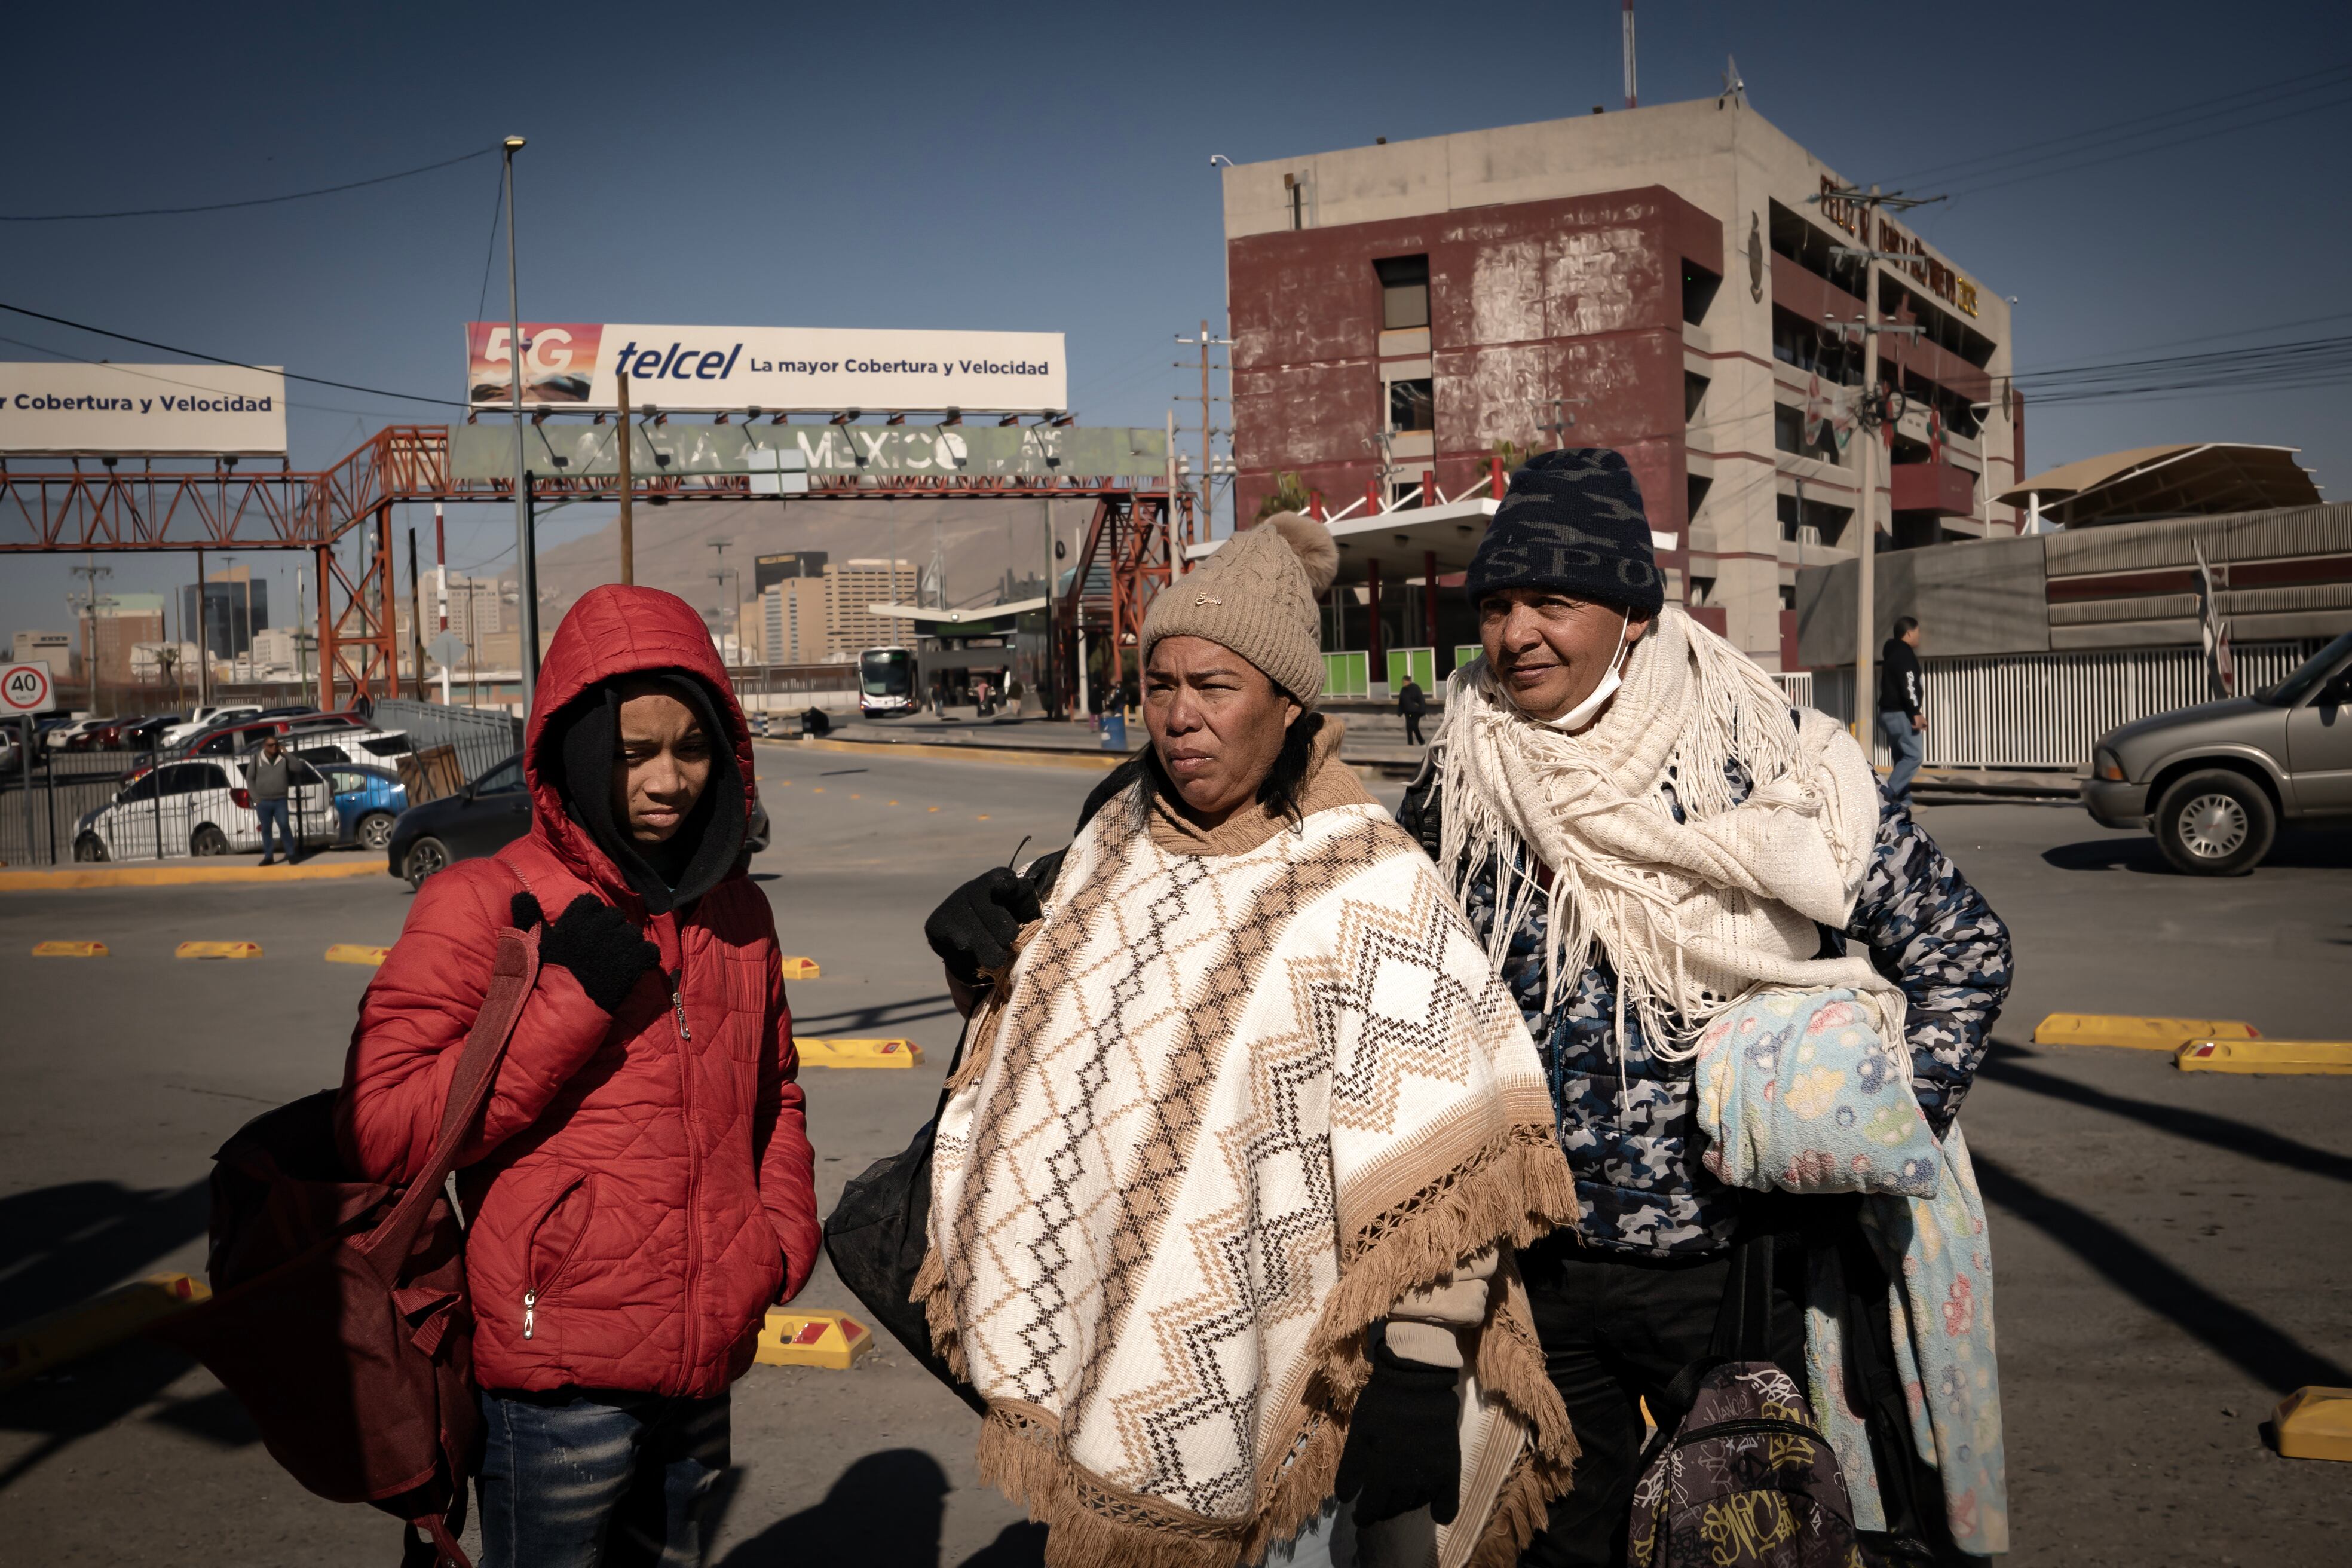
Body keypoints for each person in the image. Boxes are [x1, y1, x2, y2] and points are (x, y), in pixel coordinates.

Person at [916, 514, 1579, 1568]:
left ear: (1287, 701)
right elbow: (1073, 1064)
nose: (1179, 717)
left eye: (1213, 687)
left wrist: (1416, 1372)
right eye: (1161, 684)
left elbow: (1441, 1166)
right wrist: (982, 968)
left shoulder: (1369, 882)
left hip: (1300, 1383)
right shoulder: (1112, 838)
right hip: (1101, 1334)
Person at [1395, 450, 2011, 1568]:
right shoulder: (1463, 770)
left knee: (1746, 1543)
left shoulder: (1755, 756)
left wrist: (1865, 1128)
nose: (1516, 633)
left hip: (1730, 1274)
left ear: (1633, 611)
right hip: (1536, 1274)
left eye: (1552, 600)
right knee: (1554, 1546)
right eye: (1494, 604)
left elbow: (1962, 947)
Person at [337, 584, 820, 1568]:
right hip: (558, 1376)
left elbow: (776, 1094)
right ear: (575, 750)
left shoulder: (739, 913)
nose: (668, 779)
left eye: (691, 747)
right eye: (634, 752)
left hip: (703, 1361)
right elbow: (380, 1126)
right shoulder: (479, 900)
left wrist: (774, 1246)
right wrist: (566, 1001)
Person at [1879, 615, 1926, 801]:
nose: (1919, 636)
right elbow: (1910, 685)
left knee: (1901, 758)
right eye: (1917, 632)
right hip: (1901, 713)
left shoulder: (1891, 653)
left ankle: (1903, 801)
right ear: (1909, 633)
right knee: (1914, 756)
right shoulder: (1905, 654)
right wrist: (1915, 713)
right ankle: (1886, 797)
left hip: (1887, 713)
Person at [248, 733, 297, 865]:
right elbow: (250, 779)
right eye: (271, 745)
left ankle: (291, 854)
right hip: (263, 802)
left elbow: (297, 768)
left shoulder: (283, 758)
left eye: (276, 744)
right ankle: (269, 857)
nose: (274, 747)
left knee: (284, 826)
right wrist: (256, 799)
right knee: (266, 829)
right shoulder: (256, 759)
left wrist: (287, 754)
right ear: (265, 746)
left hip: (280, 800)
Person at [1398, 672, 1429, 747]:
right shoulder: (1403, 690)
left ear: (1409, 681)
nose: (1404, 683)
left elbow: (1421, 700)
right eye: (1403, 682)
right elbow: (1401, 701)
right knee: (1409, 728)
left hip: (1416, 712)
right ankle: (1410, 743)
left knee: (1414, 726)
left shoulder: (1415, 688)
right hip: (1407, 712)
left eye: (1405, 681)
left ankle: (1422, 742)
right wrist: (1400, 711)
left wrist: (1422, 710)